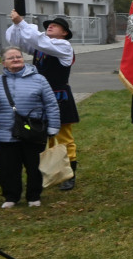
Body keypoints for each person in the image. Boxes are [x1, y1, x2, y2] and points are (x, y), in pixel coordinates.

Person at [6, 13, 80, 191]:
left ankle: (69, 174)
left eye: (56, 25)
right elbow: (19, 41)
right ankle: (50, 170)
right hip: (40, 97)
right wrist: (17, 26)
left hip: (59, 97)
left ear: (64, 33)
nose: (50, 26)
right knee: (42, 135)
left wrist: (22, 23)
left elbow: (38, 41)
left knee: (63, 137)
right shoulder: (42, 46)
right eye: (49, 24)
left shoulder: (64, 46)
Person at [0, 47, 60, 208]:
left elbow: (51, 104)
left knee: (34, 165)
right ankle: (11, 196)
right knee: (7, 167)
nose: (15, 59)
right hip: (4, 132)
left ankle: (34, 196)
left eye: (18, 57)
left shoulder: (39, 79)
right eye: (11, 58)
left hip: (32, 131)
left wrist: (53, 126)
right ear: (3, 63)